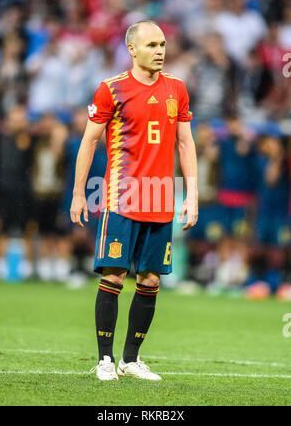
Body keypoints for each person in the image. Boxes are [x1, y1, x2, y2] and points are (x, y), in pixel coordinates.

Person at [70, 20, 198, 381]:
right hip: (121, 197)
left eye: (163, 44)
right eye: (152, 45)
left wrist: (192, 196)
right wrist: (79, 193)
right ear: (132, 50)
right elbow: (89, 142)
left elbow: (186, 143)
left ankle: (131, 359)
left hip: (161, 198)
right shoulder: (111, 90)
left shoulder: (177, 88)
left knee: (151, 280)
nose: (160, 51)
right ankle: (105, 360)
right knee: (114, 274)